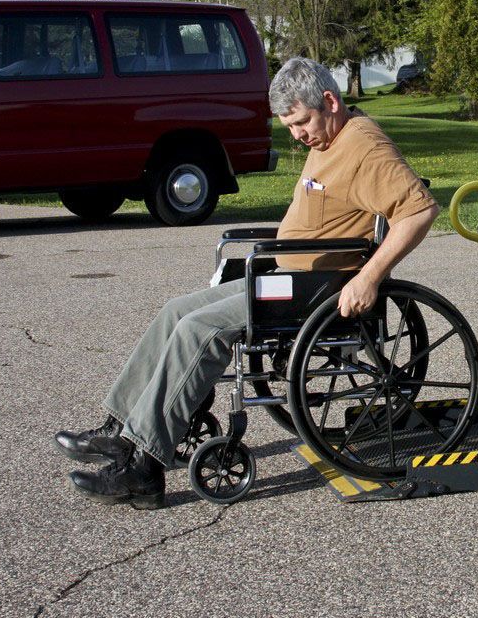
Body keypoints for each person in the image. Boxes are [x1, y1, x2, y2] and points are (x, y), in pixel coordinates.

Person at [54, 57, 439, 509]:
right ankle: (120, 430)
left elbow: (418, 210)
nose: (296, 134)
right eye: (289, 125)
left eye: (301, 122)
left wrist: (370, 277)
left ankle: (144, 469)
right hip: (285, 276)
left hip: (312, 291)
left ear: (330, 101)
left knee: (198, 331)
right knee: (177, 310)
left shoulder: (364, 146)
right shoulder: (328, 138)